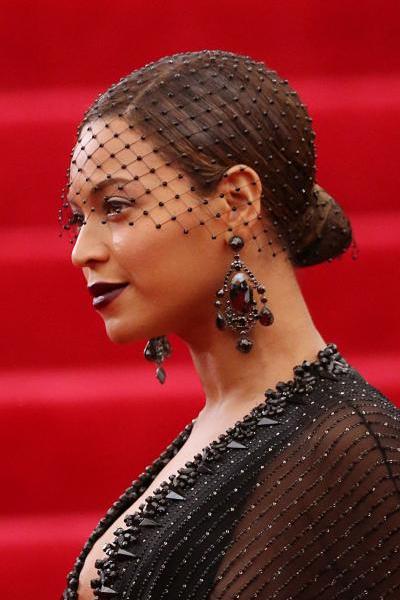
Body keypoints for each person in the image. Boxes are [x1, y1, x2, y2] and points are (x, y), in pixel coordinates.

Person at [59, 50, 400, 600]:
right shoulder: (243, 423)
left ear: (237, 201)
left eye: (116, 206)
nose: (82, 250)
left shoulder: (349, 451)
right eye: (80, 217)